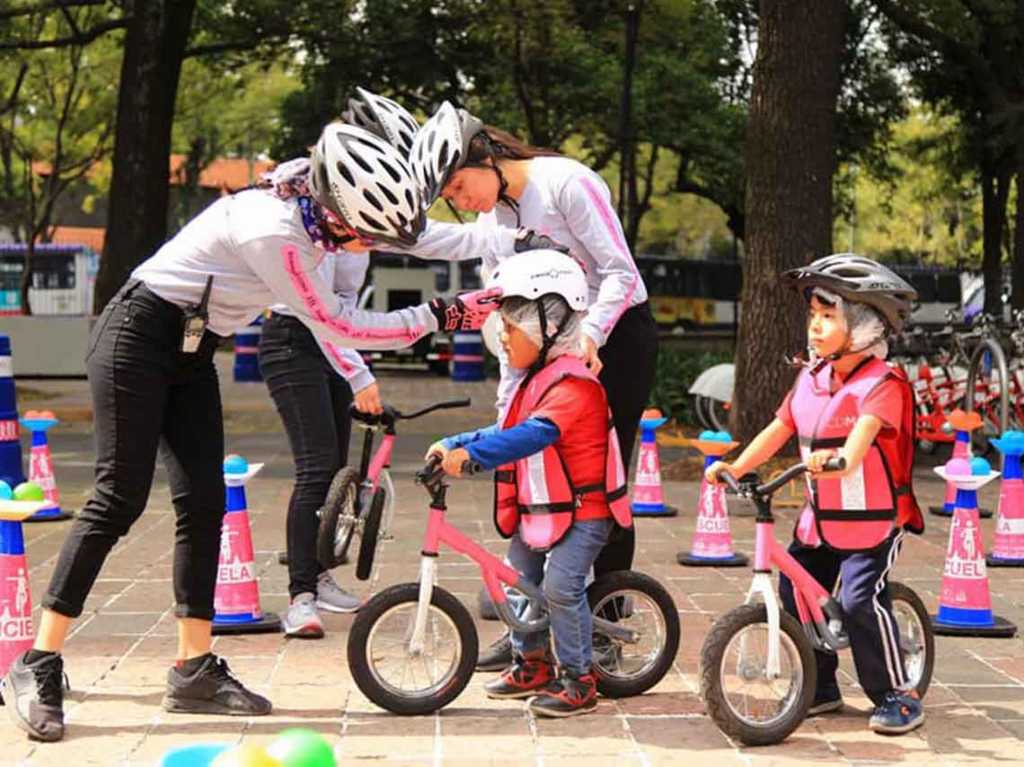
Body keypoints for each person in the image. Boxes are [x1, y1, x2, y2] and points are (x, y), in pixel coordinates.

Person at [2, 121, 501, 743]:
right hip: (136, 336)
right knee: (118, 498)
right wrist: (440, 314)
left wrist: (500, 233)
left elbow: (419, 238)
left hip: (191, 349)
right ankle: (38, 663)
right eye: (362, 236)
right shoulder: (276, 233)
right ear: (338, 214)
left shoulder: (322, 200)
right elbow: (339, 323)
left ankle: (191, 670)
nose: (364, 248)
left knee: (205, 503)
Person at [406, 102, 658, 669]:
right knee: (530, 476)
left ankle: (606, 629)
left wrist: (590, 335)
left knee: (598, 484)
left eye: (458, 185)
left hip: (612, 337)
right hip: (544, 342)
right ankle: (533, 625)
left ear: (486, 156)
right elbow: (507, 318)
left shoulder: (567, 182)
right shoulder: (495, 222)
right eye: (449, 195)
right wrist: (506, 417)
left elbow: (621, 272)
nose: (460, 200)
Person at [706, 253, 926, 736]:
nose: (816, 326)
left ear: (866, 326)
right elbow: (780, 427)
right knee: (795, 587)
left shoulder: (882, 384)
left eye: (830, 316)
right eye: (814, 316)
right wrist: (735, 464)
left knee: (858, 599)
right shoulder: (811, 378)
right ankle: (821, 687)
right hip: (821, 518)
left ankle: (896, 694)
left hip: (873, 522)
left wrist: (841, 459)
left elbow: (863, 435)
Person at [428, 251, 632, 718]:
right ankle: (532, 663)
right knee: (515, 578)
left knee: (561, 586)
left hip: (584, 512)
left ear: (549, 326)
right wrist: (454, 442)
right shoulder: (534, 379)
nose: (501, 339)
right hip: (542, 507)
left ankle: (579, 681)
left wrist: (471, 458)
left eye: (509, 330)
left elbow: (533, 435)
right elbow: (506, 428)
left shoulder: (574, 385)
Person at [259, 87, 424, 637]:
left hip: (331, 340)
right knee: (315, 468)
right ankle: (299, 598)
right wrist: (360, 374)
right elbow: (316, 313)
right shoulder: (303, 202)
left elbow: (349, 303)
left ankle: (319, 573)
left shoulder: (363, 205)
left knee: (333, 469)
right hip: (294, 339)